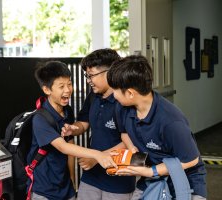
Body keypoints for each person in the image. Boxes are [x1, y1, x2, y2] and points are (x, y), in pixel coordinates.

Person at [107, 55, 207, 200]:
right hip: (151, 178)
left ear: (130, 93)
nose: (113, 94)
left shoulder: (171, 121)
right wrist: (132, 149)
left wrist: (151, 171)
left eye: (115, 90)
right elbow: (124, 133)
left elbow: (190, 160)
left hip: (185, 181)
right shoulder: (122, 108)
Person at [27, 60, 117, 200]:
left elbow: (70, 145)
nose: (68, 90)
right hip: (44, 191)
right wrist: (98, 155)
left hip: (66, 189)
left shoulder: (67, 111)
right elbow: (63, 147)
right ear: (47, 90)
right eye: (61, 86)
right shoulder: (40, 119)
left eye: (69, 84)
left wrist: (72, 181)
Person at [62, 49, 136, 200]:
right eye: (86, 76)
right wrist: (73, 129)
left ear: (109, 72)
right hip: (91, 176)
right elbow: (84, 123)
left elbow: (129, 141)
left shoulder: (124, 101)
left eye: (91, 75)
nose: (88, 80)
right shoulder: (93, 96)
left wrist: (97, 158)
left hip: (118, 178)